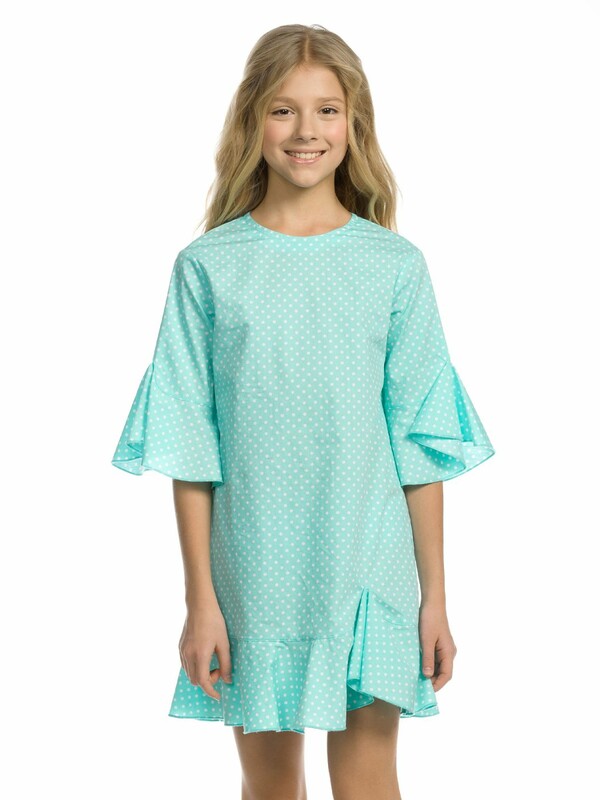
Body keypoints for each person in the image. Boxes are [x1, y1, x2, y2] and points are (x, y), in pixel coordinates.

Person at [111, 23, 495, 800]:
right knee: (270, 786)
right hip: (255, 573)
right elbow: (190, 449)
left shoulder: (394, 266)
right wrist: (200, 602)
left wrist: (435, 601)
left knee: (369, 782)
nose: (306, 130)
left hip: (370, 568)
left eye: (327, 110)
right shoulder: (208, 267)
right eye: (283, 110)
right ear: (253, 120)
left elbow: (419, 447)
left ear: (354, 124)